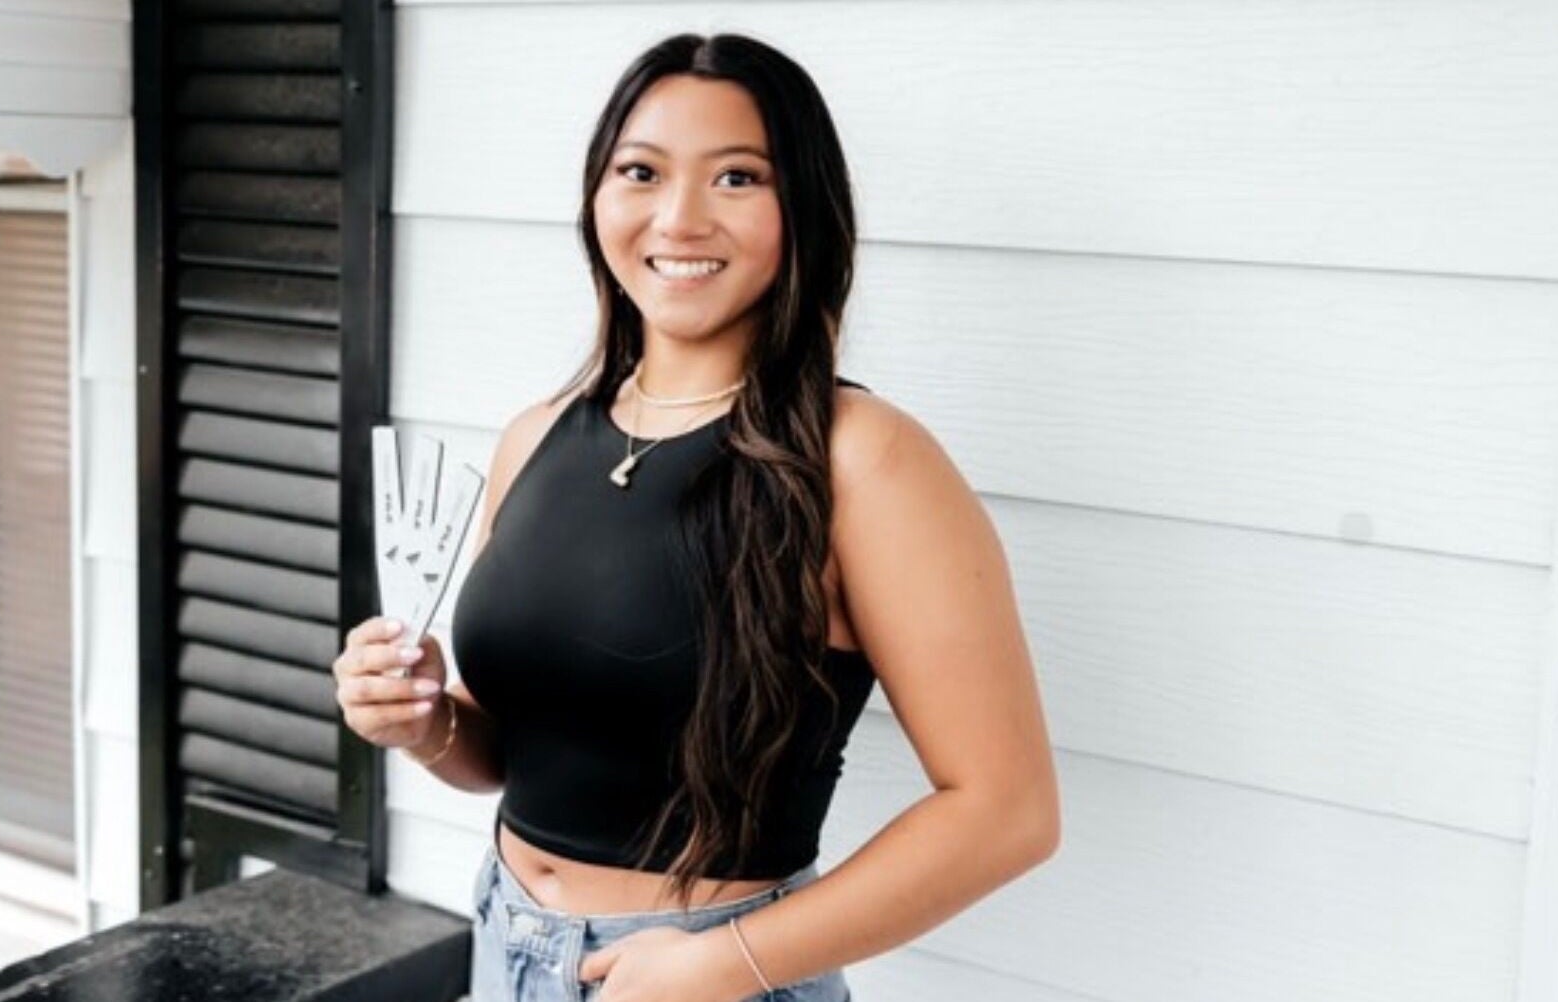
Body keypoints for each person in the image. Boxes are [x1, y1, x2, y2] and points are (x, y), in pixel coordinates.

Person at [330, 32, 1061, 1002]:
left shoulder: (864, 459)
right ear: (599, 198)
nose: (678, 218)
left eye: (737, 179)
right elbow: (516, 757)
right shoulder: (535, 436)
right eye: (642, 171)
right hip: (508, 948)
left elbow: (1007, 811)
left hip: (717, 977)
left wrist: (726, 962)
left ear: (801, 209)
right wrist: (420, 720)